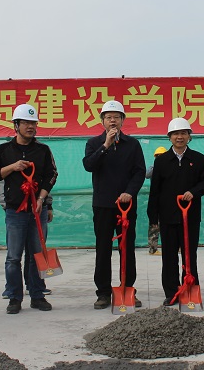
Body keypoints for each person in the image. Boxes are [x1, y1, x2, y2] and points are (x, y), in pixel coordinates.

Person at [0, 104, 57, 314]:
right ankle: (14, 297)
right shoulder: (4, 150)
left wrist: (42, 199)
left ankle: (37, 295)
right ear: (16, 125)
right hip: (15, 211)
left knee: (37, 254)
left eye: (33, 123)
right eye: (25, 123)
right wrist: (12, 167)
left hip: (37, 210)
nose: (30, 127)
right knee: (13, 257)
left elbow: (51, 175)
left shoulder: (43, 150)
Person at [82, 100, 146, 310]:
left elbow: (139, 171)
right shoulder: (94, 143)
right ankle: (103, 293)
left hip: (126, 205)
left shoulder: (132, 144)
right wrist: (106, 145)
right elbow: (88, 165)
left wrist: (129, 192)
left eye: (116, 117)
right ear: (102, 121)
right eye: (108, 117)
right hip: (102, 205)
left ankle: (128, 288)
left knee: (127, 249)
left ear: (122, 120)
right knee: (103, 249)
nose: (112, 121)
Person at [148, 118, 204, 306]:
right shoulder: (161, 162)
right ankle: (172, 292)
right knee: (168, 257)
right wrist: (153, 217)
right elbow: (155, 191)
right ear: (169, 137)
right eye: (175, 134)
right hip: (168, 216)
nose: (179, 137)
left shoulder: (199, 159)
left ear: (189, 136)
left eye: (183, 133)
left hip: (190, 216)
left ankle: (190, 289)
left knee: (189, 255)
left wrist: (194, 192)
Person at [145, 146, 168, 255]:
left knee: (171, 225)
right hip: (156, 200)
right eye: (158, 156)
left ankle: (175, 246)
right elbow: (146, 175)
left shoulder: (171, 166)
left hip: (168, 199)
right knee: (154, 225)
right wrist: (156, 166)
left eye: (162, 156)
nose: (159, 158)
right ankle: (153, 249)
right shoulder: (153, 168)